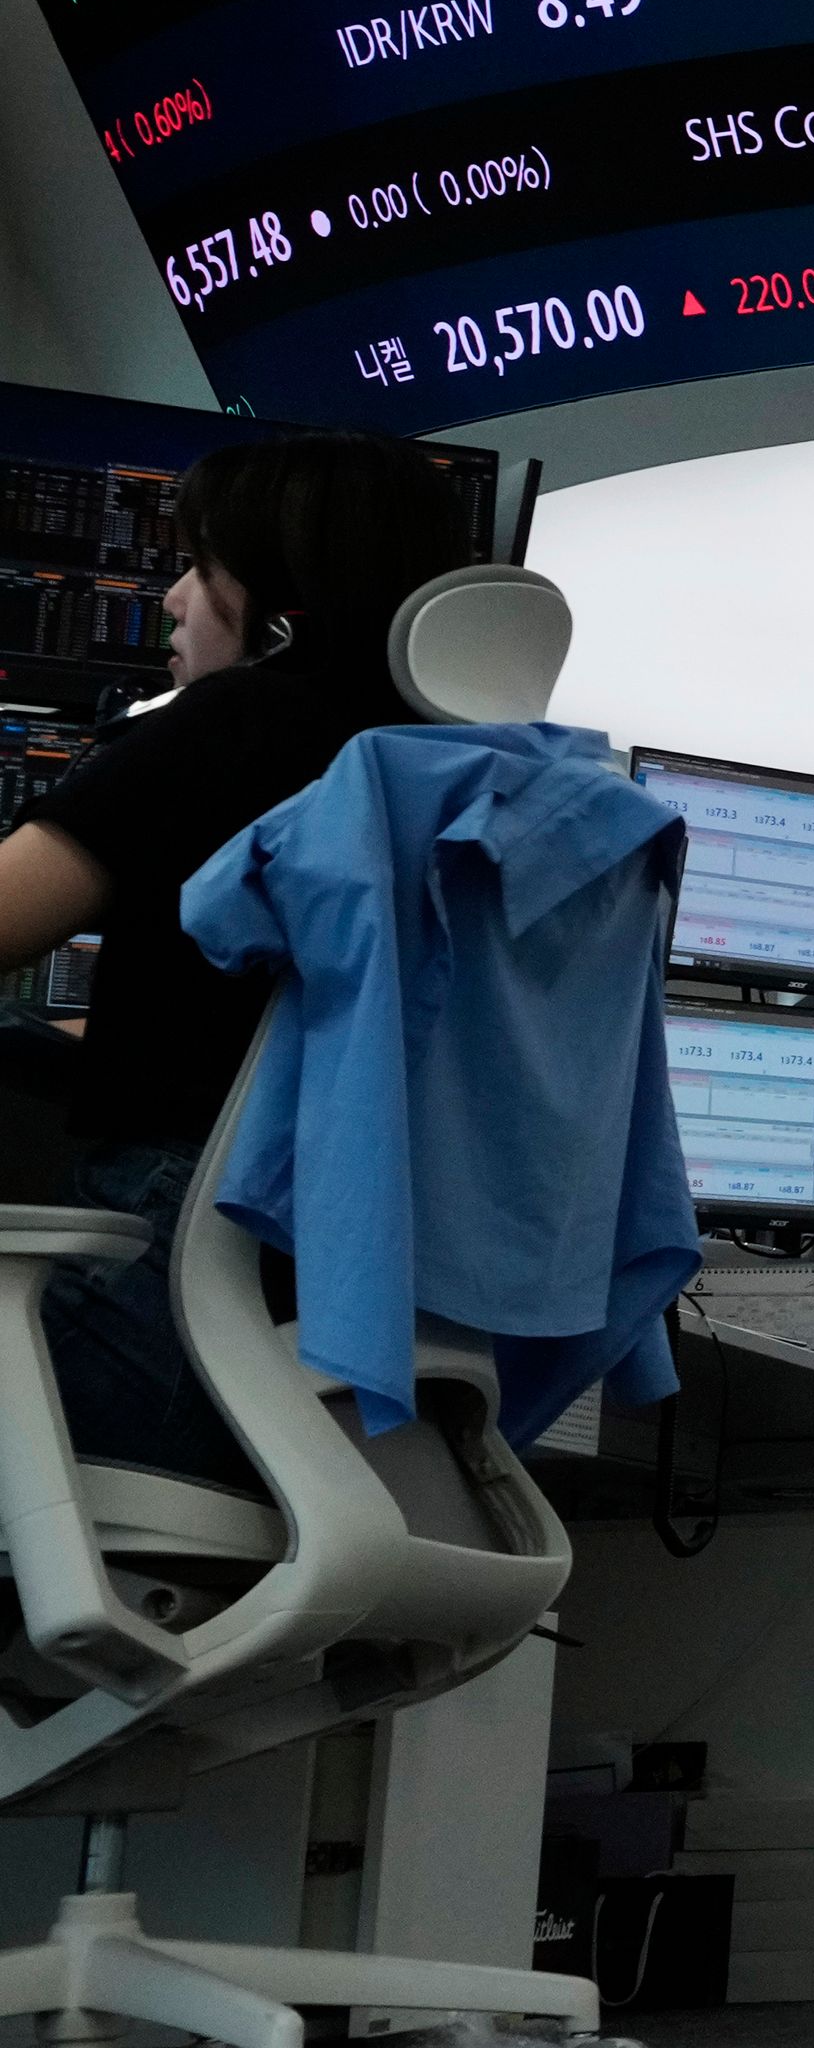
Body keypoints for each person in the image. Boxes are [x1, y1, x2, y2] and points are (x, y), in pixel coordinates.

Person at [0, 432, 466, 1483]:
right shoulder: (469, 771)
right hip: (357, 1388)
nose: (169, 600)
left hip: (170, 1326)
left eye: (200, 569)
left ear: (278, 609)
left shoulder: (240, 722)